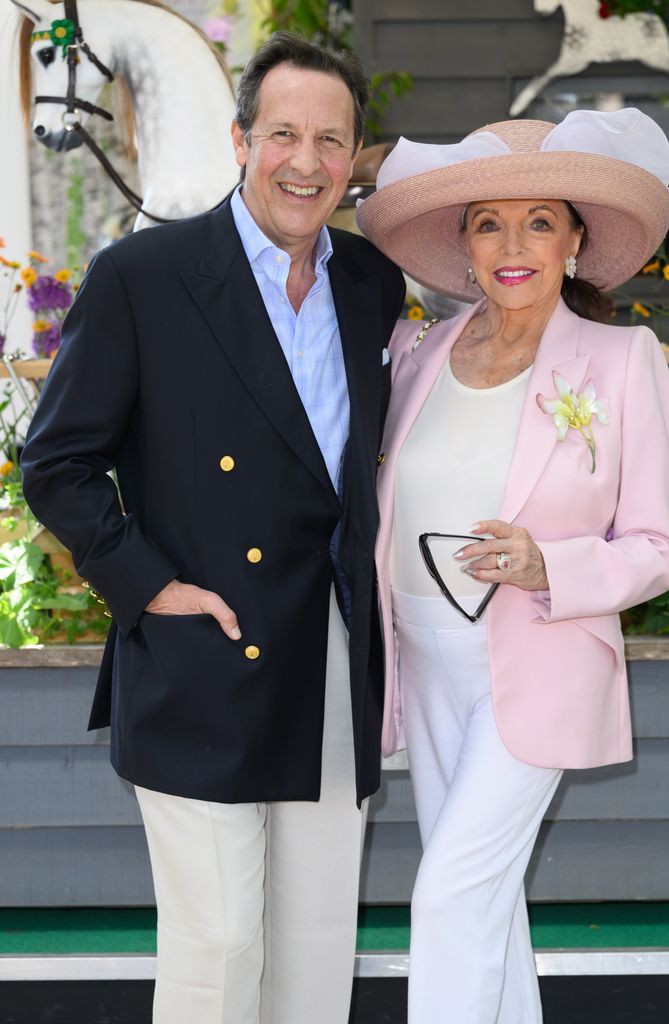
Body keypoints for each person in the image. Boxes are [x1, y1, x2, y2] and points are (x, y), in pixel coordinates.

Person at [21, 31, 404, 1024]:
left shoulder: (368, 288)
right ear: (241, 139)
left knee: (317, 941)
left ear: (355, 157)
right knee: (221, 941)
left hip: (329, 647)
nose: (306, 162)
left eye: (331, 139)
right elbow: (55, 461)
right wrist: (146, 584)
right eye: (283, 133)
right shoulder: (143, 277)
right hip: (202, 646)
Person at [357, 108, 669, 1023]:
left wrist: (552, 565)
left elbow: (659, 550)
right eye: (489, 221)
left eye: (540, 220)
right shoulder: (414, 352)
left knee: (449, 895)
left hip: (538, 665)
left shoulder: (623, 360)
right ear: (463, 241)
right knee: (486, 909)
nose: (514, 244)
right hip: (421, 661)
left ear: (576, 240)